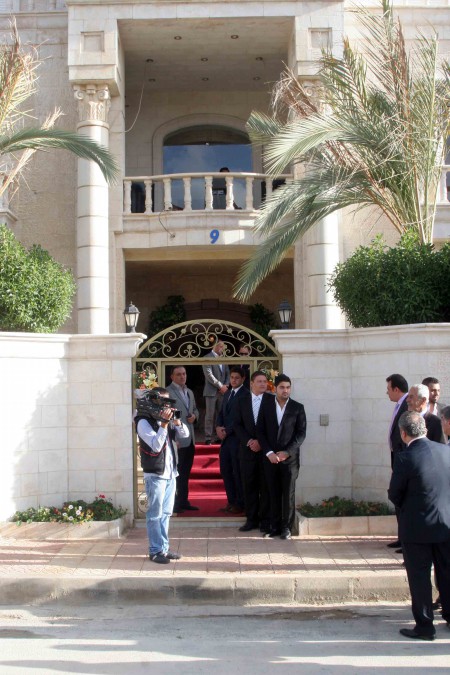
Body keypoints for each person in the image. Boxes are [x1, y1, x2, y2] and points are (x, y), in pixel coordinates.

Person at [388, 411, 450, 640]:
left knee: (420, 577)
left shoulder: (405, 458)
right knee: (447, 572)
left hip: (416, 528)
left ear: (403, 433)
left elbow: (395, 494)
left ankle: (425, 626)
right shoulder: (446, 451)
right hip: (445, 524)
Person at [134, 388, 189, 564]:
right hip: (155, 474)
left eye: (168, 402)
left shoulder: (165, 418)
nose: (166, 406)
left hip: (170, 473)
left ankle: (163, 549)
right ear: (153, 401)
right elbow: (156, 446)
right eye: (163, 402)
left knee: (165, 514)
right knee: (155, 514)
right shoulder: (143, 421)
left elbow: (185, 436)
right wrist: (164, 424)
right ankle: (155, 551)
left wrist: (176, 421)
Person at [257, 373, 307, 540]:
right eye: (282, 387)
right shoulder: (266, 406)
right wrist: (269, 453)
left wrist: (287, 452)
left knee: (288, 494)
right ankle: (274, 526)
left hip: (289, 460)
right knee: (272, 493)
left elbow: (301, 434)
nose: (285, 390)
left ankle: (286, 528)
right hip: (270, 459)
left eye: (288, 387)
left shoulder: (297, 407)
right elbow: (260, 431)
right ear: (275, 389)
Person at [234, 370, 270, 532]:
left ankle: (266, 520)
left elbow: (274, 425)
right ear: (252, 383)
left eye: (265, 381)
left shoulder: (272, 400)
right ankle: (251, 519)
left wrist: (261, 442)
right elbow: (237, 424)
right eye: (260, 381)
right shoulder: (241, 400)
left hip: (266, 451)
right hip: (247, 451)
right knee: (249, 485)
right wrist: (249, 441)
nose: (263, 384)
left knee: (265, 486)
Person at [167, 365, 200, 513]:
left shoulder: (189, 392)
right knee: (176, 473)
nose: (182, 376)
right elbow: (167, 415)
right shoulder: (168, 392)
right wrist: (173, 438)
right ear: (172, 377)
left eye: (184, 374)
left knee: (185, 473)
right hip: (177, 441)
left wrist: (195, 416)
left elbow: (195, 410)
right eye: (179, 374)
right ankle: (174, 503)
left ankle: (183, 501)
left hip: (190, 439)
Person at [216, 366, 247, 514]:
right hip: (226, 440)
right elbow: (222, 412)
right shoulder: (228, 393)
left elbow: (241, 418)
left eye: (237, 378)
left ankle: (240, 503)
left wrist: (227, 431)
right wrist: (218, 427)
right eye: (232, 377)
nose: (234, 380)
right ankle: (231, 501)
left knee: (237, 471)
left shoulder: (245, 394)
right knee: (226, 470)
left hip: (237, 439)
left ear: (243, 379)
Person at [385, 373, 409, 549]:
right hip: (397, 459)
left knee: (404, 499)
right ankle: (402, 538)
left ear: (396, 389)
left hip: (403, 460)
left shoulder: (407, 405)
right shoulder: (400, 405)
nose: (387, 392)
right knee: (399, 498)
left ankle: (406, 540)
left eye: (388, 389)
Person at [202, 340, 230, 445]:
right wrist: (220, 386)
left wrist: (226, 385)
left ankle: (219, 436)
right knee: (210, 415)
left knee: (221, 415)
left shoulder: (224, 358)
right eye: (221, 346)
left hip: (223, 392)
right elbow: (209, 375)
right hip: (211, 391)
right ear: (215, 346)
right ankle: (208, 437)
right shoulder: (207, 357)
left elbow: (227, 373)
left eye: (223, 347)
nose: (222, 349)